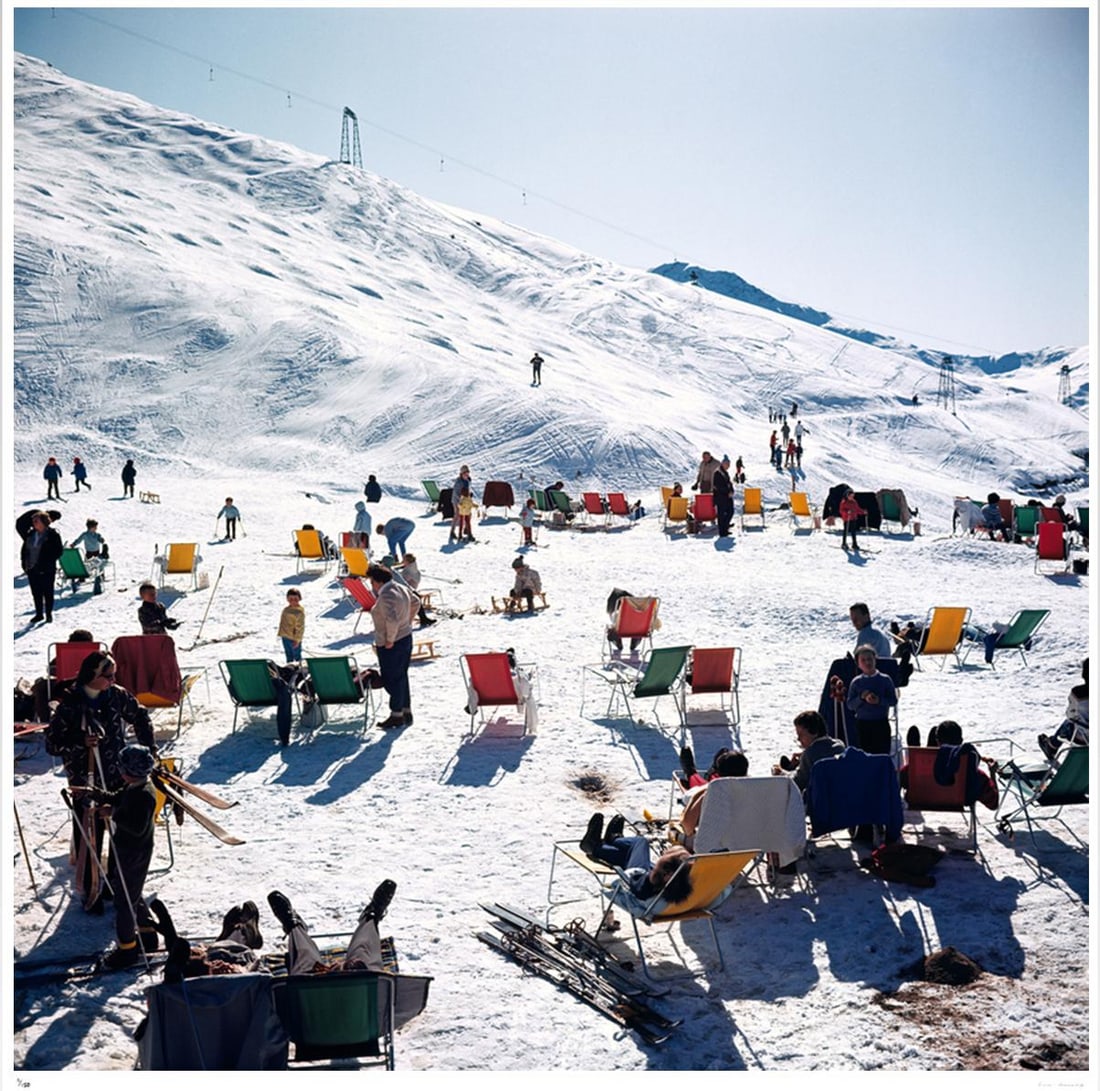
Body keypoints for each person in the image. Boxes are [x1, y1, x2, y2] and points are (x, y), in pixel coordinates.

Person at [45, 650, 157, 908]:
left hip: (120, 776)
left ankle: (117, 883)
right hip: (86, 778)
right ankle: (91, 888)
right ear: (92, 675)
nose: (112, 679)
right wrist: (79, 741)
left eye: (114, 675)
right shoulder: (71, 704)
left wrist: (148, 749)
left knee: (122, 832)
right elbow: (52, 744)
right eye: (108, 675)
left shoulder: (116, 695)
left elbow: (140, 715)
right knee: (89, 835)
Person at [76, 744, 160, 967]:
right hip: (127, 849)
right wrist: (93, 793)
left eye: (123, 768)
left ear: (131, 771)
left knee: (124, 901)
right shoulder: (132, 786)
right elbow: (116, 797)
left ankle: (127, 949)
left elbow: (137, 826)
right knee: (131, 891)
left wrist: (112, 813)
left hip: (135, 851)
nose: (120, 772)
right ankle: (148, 932)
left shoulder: (144, 795)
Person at [578, 813, 695, 919]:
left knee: (641, 842)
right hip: (656, 886)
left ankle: (614, 840)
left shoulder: (643, 889)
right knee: (628, 855)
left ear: (667, 875)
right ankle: (597, 846)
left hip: (638, 877)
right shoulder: (676, 887)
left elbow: (632, 881)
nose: (660, 858)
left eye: (661, 861)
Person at [369, 564, 418, 728]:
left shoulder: (386, 596)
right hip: (406, 637)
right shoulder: (401, 587)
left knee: (391, 678)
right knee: (401, 675)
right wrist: (408, 622)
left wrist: (390, 639)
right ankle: (405, 709)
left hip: (392, 642)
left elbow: (392, 619)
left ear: (377, 582)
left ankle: (396, 713)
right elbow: (416, 602)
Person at [676, 750, 749, 850]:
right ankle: (695, 773)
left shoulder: (710, 794)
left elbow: (687, 827)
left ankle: (691, 772)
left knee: (696, 790)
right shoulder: (755, 791)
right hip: (747, 848)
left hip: (711, 850)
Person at [772, 710, 846, 795]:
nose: (798, 739)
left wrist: (781, 774)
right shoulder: (840, 746)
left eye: (801, 735)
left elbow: (796, 784)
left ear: (814, 732)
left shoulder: (809, 754)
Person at [32, 628, 96, 723]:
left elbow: (51, 670)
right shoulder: (95, 654)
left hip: (64, 687)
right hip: (91, 687)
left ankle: (45, 721)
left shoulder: (64, 653)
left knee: (40, 686)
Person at [846, 645, 897, 756]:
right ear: (858, 664)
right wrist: (861, 698)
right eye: (863, 660)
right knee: (864, 757)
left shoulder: (885, 679)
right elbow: (850, 705)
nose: (867, 663)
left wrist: (879, 700)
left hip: (881, 723)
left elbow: (893, 700)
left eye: (870, 659)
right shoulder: (856, 682)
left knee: (881, 756)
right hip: (862, 725)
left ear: (875, 660)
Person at [1039, 658, 1089, 759]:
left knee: (1069, 721)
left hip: (1085, 738)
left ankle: (1052, 746)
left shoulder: (1078, 692)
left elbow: (1070, 714)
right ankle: (1051, 745)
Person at [21, 510, 64, 623]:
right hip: (32, 568)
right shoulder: (30, 534)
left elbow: (59, 551)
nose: (34, 523)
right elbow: (25, 549)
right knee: (36, 592)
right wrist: (24, 563)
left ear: (44, 522)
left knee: (48, 592)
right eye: (33, 521)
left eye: (36, 521)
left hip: (47, 569)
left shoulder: (53, 534)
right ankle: (39, 614)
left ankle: (48, 614)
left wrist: (47, 559)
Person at [393, 553, 435, 626]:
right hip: (408, 588)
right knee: (416, 598)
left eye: (404, 560)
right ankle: (423, 618)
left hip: (407, 589)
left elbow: (401, 580)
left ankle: (422, 618)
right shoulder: (412, 567)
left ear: (407, 561)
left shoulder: (408, 570)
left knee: (415, 599)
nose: (402, 561)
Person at [278, 588, 305, 662]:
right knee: (289, 655)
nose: (293, 601)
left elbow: (300, 627)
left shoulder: (299, 612)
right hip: (285, 636)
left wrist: (297, 639)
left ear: (299, 598)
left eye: (295, 599)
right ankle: (290, 669)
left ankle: (300, 670)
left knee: (297, 655)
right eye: (290, 599)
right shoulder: (286, 609)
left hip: (293, 638)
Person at [712, 456, 735, 537]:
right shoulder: (717, 473)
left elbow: (729, 483)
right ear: (722, 463)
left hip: (727, 497)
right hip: (721, 497)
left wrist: (732, 491)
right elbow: (718, 486)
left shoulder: (725, 472)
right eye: (726, 463)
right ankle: (722, 531)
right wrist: (727, 491)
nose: (728, 465)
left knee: (730, 512)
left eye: (729, 464)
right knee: (721, 515)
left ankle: (725, 528)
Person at [451, 466, 474, 539]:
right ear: (461, 474)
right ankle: (452, 531)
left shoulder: (467, 481)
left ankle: (466, 529)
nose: (467, 475)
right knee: (457, 515)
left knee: (469, 514)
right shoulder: (459, 482)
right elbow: (456, 493)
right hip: (457, 500)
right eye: (465, 474)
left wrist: (469, 495)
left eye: (468, 473)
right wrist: (460, 502)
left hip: (464, 501)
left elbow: (466, 491)